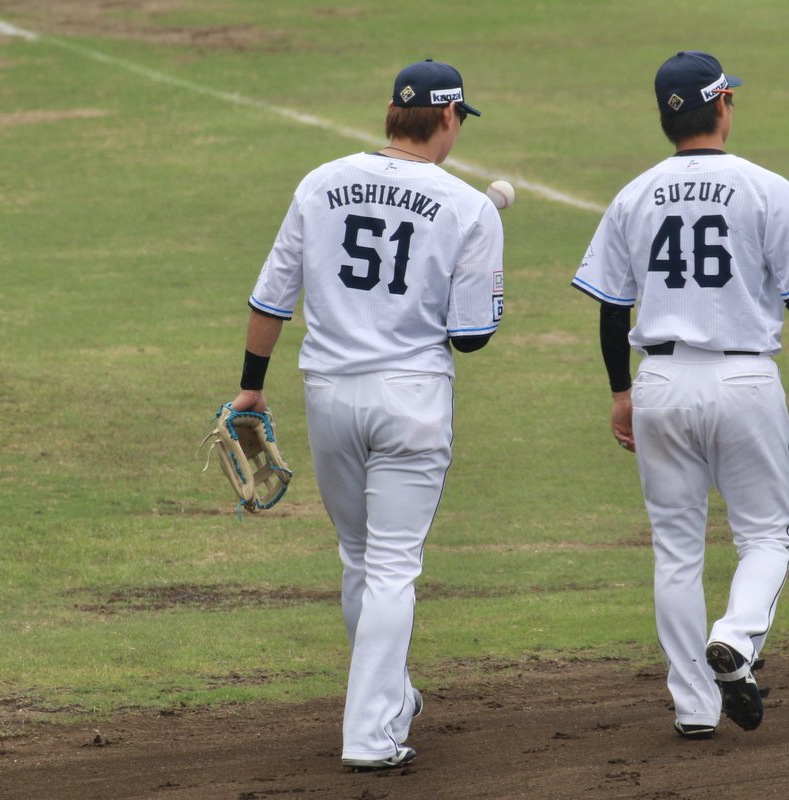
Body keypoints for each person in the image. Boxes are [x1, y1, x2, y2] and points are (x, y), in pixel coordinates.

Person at [229, 58, 505, 770]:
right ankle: (371, 736)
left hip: (328, 395)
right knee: (390, 569)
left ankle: (392, 699)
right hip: (408, 400)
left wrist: (251, 389)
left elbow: (270, 299)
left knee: (360, 561)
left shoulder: (320, 183)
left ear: (392, 112)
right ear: (448, 118)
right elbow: (472, 337)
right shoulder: (468, 207)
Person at [571, 50, 789, 740]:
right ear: (722, 106)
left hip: (658, 381)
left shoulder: (633, 194)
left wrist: (619, 393)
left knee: (675, 549)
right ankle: (737, 640)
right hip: (744, 378)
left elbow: (611, 309)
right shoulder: (765, 187)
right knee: (765, 536)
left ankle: (694, 706)